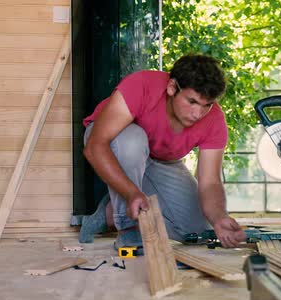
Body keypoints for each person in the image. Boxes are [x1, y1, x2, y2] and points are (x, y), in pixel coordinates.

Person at [79, 54, 246, 249]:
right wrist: (131, 192)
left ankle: (108, 213)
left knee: (196, 229)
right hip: (112, 141)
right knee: (133, 140)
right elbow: (95, 146)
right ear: (172, 88)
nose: (198, 114)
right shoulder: (141, 85)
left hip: (160, 159)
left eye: (206, 105)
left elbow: (210, 181)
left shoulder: (214, 120)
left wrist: (219, 217)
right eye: (192, 102)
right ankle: (128, 227)